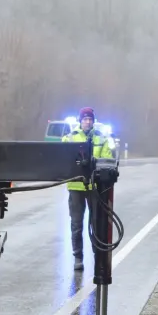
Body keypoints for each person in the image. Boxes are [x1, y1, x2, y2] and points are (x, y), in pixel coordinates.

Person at [62, 106, 114, 269]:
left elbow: (107, 160)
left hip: (94, 187)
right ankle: (78, 257)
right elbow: (61, 159)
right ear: (80, 120)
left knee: (96, 223)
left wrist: (95, 164)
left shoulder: (101, 138)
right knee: (76, 224)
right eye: (85, 119)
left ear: (93, 121)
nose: (87, 122)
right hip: (76, 187)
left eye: (90, 119)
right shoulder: (70, 138)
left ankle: (96, 255)